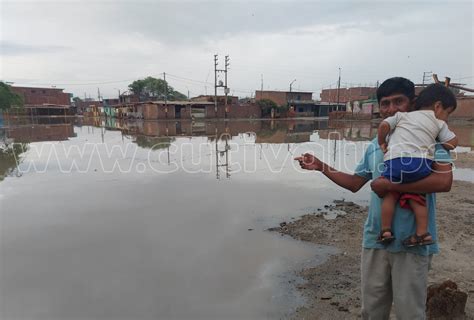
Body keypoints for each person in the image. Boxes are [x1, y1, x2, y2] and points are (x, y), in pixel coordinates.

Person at [295, 77, 454, 319]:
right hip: (376, 240)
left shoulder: (432, 138)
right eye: (385, 103)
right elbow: (355, 183)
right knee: (371, 312)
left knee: (410, 313)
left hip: (414, 243)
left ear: (412, 103)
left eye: (398, 102)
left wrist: (389, 185)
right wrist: (321, 166)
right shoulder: (374, 145)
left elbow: (444, 182)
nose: (391, 109)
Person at [377, 83, 458, 247]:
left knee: (389, 195)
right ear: (438, 106)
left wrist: (381, 143)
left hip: (395, 162)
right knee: (417, 198)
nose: (446, 118)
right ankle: (422, 234)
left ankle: (385, 231)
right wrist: (444, 139)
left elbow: (384, 125)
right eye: (447, 113)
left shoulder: (402, 117)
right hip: (420, 165)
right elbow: (451, 144)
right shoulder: (438, 124)